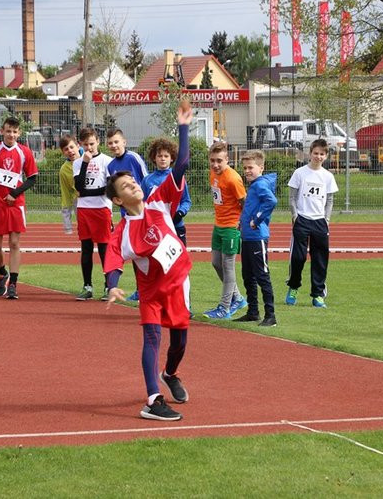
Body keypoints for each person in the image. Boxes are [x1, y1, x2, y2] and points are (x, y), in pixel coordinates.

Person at [104, 103, 194, 421]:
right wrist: (113, 287)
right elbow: (114, 260)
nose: (133, 186)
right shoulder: (123, 230)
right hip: (152, 292)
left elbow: (181, 163)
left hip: (177, 281)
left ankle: (170, 373)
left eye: (133, 183)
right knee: (153, 336)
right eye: (126, 186)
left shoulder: (159, 203)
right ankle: (153, 399)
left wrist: (183, 127)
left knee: (180, 339)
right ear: (117, 200)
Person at [0, 116, 39, 300]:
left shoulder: (24, 152)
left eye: (14, 131)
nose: (11, 134)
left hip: (15, 205)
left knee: (14, 244)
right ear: (2, 132)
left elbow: (33, 177)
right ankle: (2, 273)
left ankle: (13, 283)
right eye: (8, 131)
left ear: (19, 133)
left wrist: (15, 193)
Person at [285, 139, 339, 308]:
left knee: (320, 259)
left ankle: (318, 294)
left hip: (319, 222)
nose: (318, 157)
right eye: (316, 153)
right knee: (298, 257)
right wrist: (295, 216)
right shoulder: (300, 173)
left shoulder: (328, 176)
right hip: (302, 220)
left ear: (326, 156)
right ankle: (293, 287)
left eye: (322, 154)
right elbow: (292, 197)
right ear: (310, 153)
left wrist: (327, 218)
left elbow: (330, 199)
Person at [204, 142, 247, 319]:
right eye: (212, 160)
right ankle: (237, 298)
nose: (215, 164)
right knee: (216, 262)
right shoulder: (213, 173)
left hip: (230, 226)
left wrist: (240, 224)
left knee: (228, 267)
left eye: (219, 161)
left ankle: (224, 307)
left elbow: (245, 203)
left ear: (227, 159)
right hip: (218, 225)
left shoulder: (233, 178)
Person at [106, 127, 149, 302]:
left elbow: (145, 179)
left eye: (116, 142)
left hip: (143, 212)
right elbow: (115, 192)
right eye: (110, 143)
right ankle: (141, 289)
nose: (114, 145)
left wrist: (147, 206)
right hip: (127, 215)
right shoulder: (110, 165)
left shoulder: (134, 158)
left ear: (124, 142)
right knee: (133, 251)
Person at [236, 150, 278, 327]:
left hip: (257, 237)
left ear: (261, 167)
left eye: (250, 167)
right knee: (248, 275)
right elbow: (252, 206)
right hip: (247, 236)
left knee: (262, 275)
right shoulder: (254, 185)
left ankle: (271, 315)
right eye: (244, 168)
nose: (247, 171)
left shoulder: (260, 185)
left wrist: (256, 219)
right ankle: (253, 311)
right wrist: (242, 222)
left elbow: (271, 201)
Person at [73, 127, 113, 301]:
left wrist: (91, 192)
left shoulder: (107, 161)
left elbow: (109, 189)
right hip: (84, 210)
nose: (89, 148)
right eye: (85, 145)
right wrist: (85, 163)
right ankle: (87, 285)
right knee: (86, 249)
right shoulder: (77, 162)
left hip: (102, 209)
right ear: (80, 144)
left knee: (104, 249)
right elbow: (79, 187)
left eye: (92, 143)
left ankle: (108, 286)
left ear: (98, 141)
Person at [142, 138, 192, 246]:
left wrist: (180, 213)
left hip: (176, 226)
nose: (163, 159)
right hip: (156, 228)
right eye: (159, 156)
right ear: (154, 158)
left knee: (179, 260)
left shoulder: (177, 178)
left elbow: (186, 201)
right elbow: (143, 203)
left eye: (166, 156)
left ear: (172, 158)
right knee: (159, 261)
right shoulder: (147, 180)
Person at [58, 135, 80, 235]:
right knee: (85, 233)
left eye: (72, 147)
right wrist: (67, 225)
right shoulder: (64, 170)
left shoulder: (90, 159)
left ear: (78, 146)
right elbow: (66, 194)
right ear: (63, 152)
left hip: (97, 199)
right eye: (66, 149)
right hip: (79, 201)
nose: (70, 151)